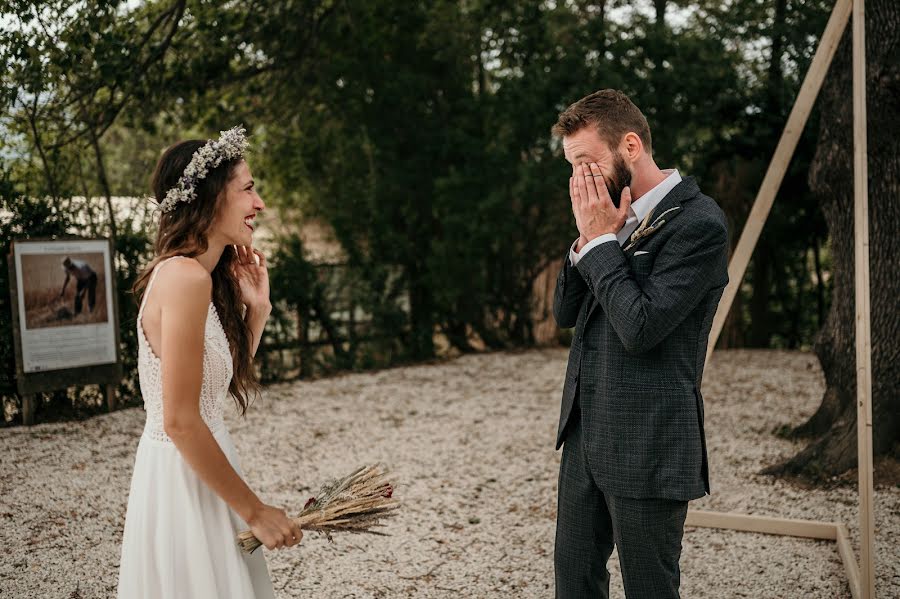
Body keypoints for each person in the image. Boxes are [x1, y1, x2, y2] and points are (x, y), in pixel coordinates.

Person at [551, 89, 729, 599]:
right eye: (571, 166)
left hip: (649, 442)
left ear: (630, 145)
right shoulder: (603, 213)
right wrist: (588, 237)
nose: (578, 179)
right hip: (585, 436)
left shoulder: (700, 224)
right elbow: (566, 314)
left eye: (586, 162)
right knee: (574, 584)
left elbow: (640, 327)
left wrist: (602, 242)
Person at [117, 127, 301, 599]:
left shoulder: (198, 276)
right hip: (184, 480)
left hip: (206, 470)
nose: (259, 203)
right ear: (209, 198)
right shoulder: (183, 279)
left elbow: (210, 390)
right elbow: (179, 421)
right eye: (248, 188)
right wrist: (256, 511)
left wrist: (256, 313)